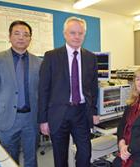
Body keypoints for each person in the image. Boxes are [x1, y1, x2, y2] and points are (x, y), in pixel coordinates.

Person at [38, 16, 99, 167]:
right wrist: (43, 120)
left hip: (81, 113)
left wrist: (94, 112)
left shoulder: (91, 57)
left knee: (85, 153)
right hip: (59, 113)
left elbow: (93, 88)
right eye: (73, 33)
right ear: (65, 34)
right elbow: (43, 89)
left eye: (80, 33)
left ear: (84, 35)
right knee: (60, 157)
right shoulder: (51, 56)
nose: (77, 36)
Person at [0, 20, 42, 167]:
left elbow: (41, 91)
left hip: (31, 118)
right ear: (9, 36)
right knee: (9, 157)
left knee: (31, 157)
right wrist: (4, 107)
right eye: (17, 33)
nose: (21, 37)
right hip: (9, 118)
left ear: (30, 39)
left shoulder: (38, 62)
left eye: (26, 34)